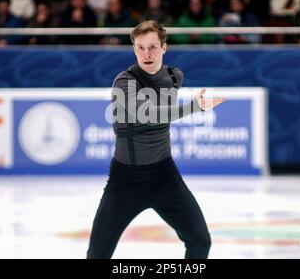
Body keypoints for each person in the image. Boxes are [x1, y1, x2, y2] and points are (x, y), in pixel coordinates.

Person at [87, 20, 226, 259]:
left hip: (165, 177)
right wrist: (195, 107)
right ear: (133, 50)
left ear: (164, 48)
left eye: (152, 47)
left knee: (200, 241)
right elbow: (148, 114)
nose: (146, 54)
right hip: (125, 181)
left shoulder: (174, 77)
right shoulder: (124, 82)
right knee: (97, 255)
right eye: (140, 47)